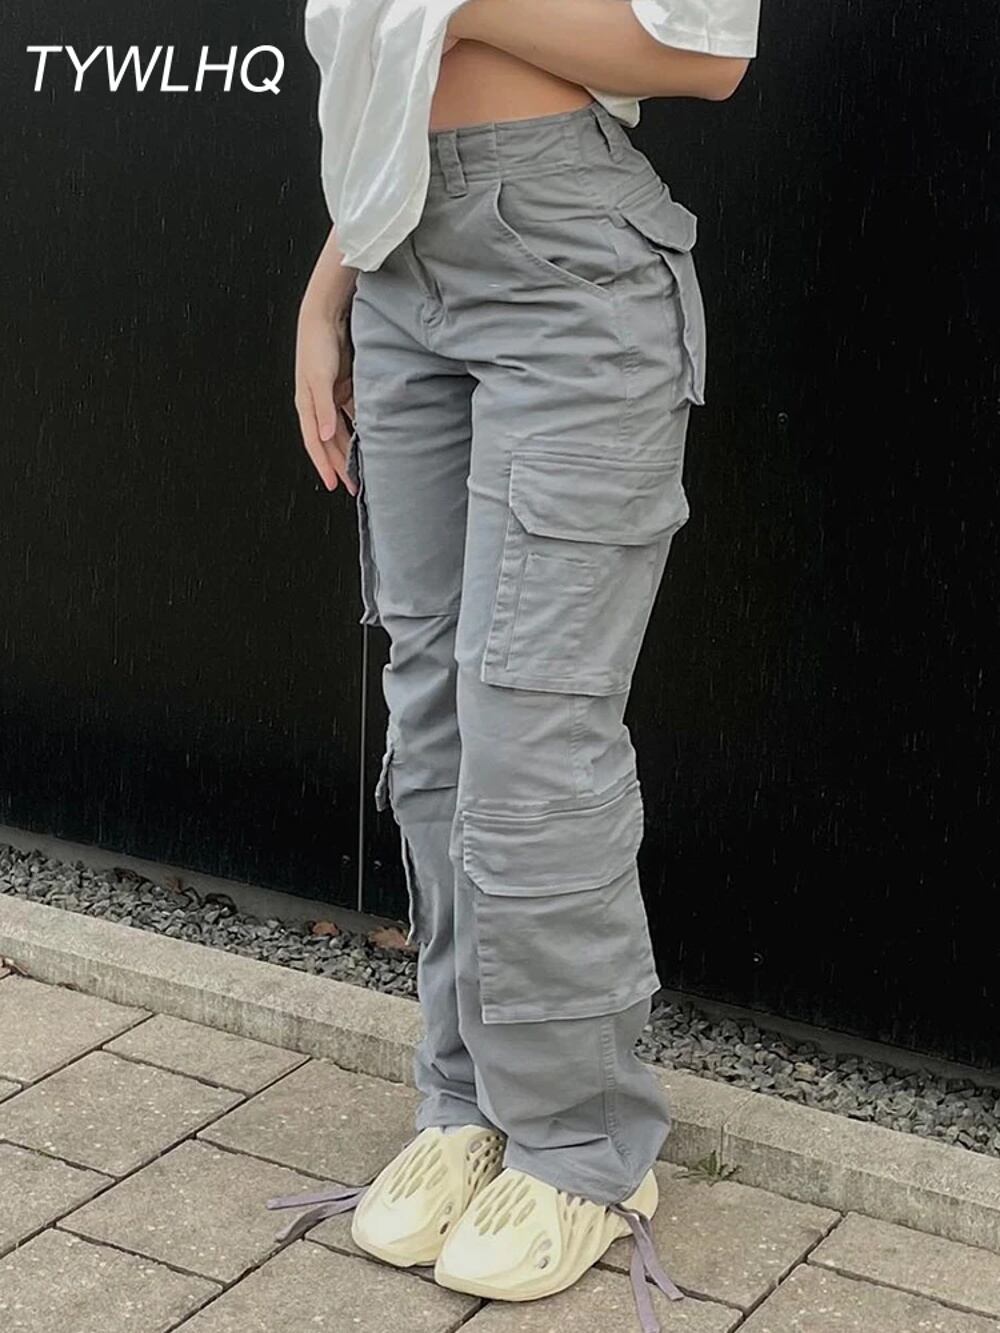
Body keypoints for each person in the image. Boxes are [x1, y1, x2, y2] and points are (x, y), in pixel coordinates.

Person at [269, 2, 760, 1328]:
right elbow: (385, 84)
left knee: (533, 735)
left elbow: (712, 55)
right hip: (395, 262)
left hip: (567, 263)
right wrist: (328, 289)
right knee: (432, 724)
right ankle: (468, 1099)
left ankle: (586, 1144)